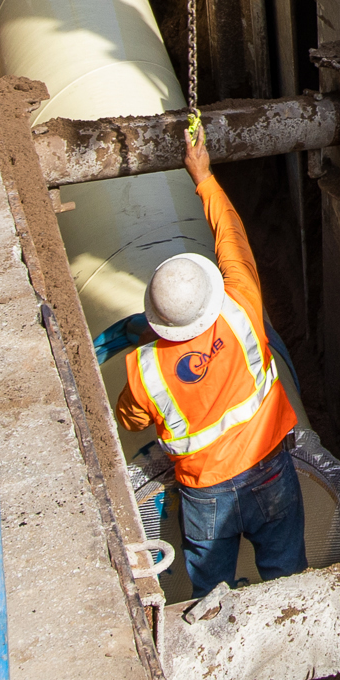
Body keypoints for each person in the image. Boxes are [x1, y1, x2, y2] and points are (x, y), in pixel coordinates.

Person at [106, 129, 306, 597]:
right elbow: (230, 235)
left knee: (212, 599)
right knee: (288, 580)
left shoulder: (144, 369)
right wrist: (203, 177)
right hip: (271, 470)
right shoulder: (241, 306)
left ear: (158, 321)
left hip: (205, 494)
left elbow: (128, 420)